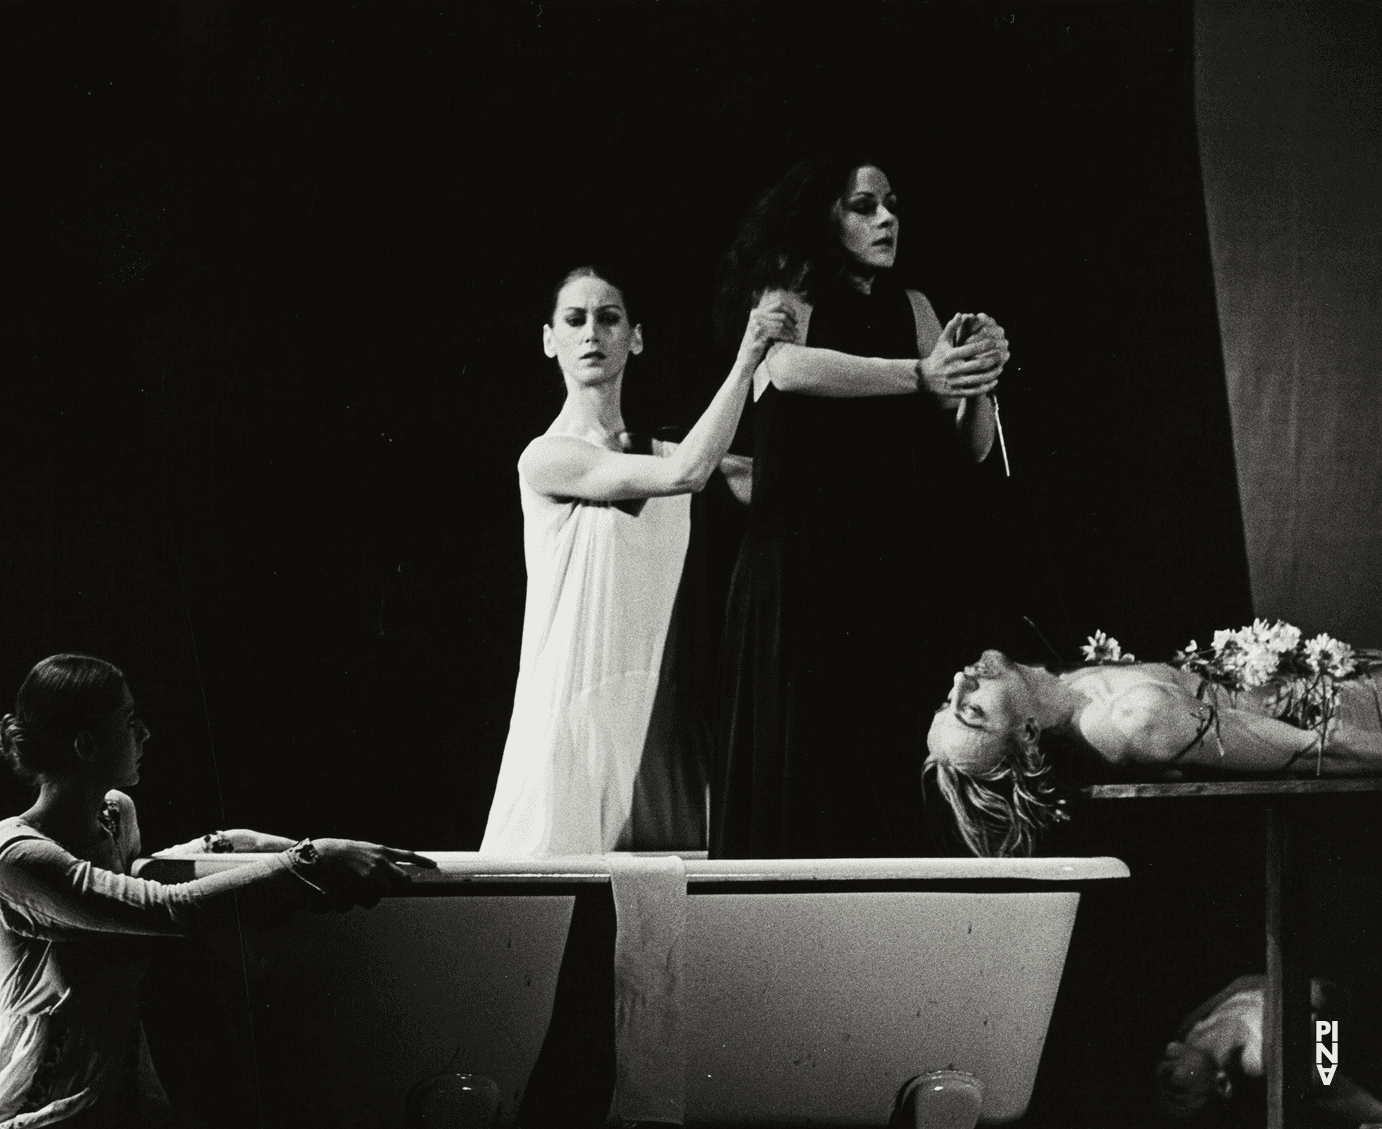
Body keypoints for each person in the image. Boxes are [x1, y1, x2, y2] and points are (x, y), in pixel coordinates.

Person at [0, 653, 433, 1129]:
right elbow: (168, 907)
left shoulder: (113, 815)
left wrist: (235, 843)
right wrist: (309, 858)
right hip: (31, 1101)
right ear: (85, 744)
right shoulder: (18, 858)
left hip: (107, 1093)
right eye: (128, 718)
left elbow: (143, 878)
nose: (145, 733)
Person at [710, 153, 1010, 859]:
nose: (886, 218)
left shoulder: (914, 307)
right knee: (797, 786)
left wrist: (981, 378)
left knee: (881, 790)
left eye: (892, 205)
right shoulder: (789, 288)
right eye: (863, 205)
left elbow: (968, 442)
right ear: (825, 216)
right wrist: (922, 372)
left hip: (885, 580)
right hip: (800, 573)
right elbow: (785, 367)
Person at [479, 266, 795, 856]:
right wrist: (748, 359)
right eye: (574, 320)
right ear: (550, 340)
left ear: (636, 336)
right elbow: (688, 473)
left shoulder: (664, 448)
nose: (591, 333)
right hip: (572, 718)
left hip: (656, 722)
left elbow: (770, 481)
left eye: (609, 317)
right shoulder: (547, 458)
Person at [925, 648, 1382, 857]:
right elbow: (1316, 754)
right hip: (1364, 718)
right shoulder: (1131, 721)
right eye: (971, 710)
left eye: (949, 701)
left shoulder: (1067, 689)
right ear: (1027, 735)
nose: (958, 681)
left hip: (1351, 674)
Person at [1157, 975, 1382, 1124]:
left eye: (1160, 1068)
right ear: (1221, 1084)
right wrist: (1322, 1009)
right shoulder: (1257, 1061)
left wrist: (1284, 978)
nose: (1164, 1065)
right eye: (1171, 1079)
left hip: (1302, 973)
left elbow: (1237, 986)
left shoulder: (1189, 1030)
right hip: (1349, 1010)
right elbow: (1328, 1080)